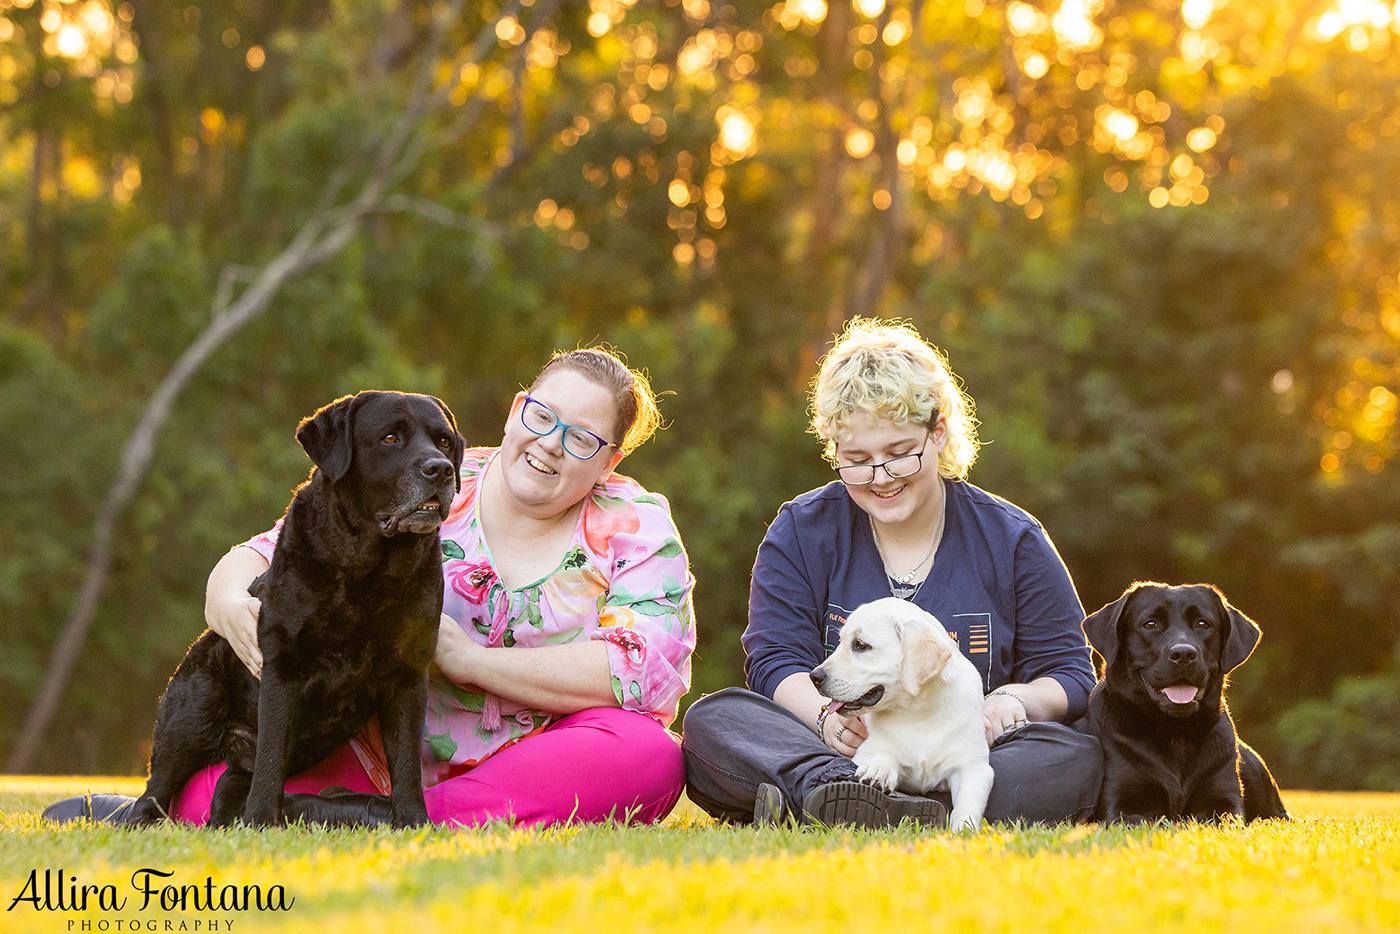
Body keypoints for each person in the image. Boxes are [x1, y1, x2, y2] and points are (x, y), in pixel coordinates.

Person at [45, 348, 695, 829]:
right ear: (516, 407)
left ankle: (365, 818)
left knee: (649, 758)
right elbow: (273, 554)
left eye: (580, 437)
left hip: (549, 762)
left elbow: (636, 674)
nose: (549, 445)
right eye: (541, 415)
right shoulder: (430, 472)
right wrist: (224, 593)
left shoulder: (637, 526)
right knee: (214, 789)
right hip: (366, 753)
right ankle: (354, 811)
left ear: (610, 460)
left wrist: (469, 661)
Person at [680, 318, 1101, 828]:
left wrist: (1017, 699)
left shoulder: (1013, 539)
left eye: (900, 455)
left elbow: (1073, 673)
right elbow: (772, 658)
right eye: (856, 460)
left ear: (938, 432)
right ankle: (838, 791)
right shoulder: (801, 530)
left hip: (973, 757)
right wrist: (824, 720)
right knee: (716, 719)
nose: (880, 479)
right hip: (844, 752)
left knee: (1074, 754)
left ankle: (879, 808)